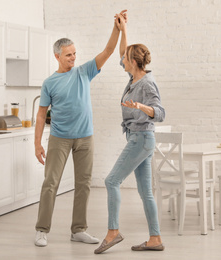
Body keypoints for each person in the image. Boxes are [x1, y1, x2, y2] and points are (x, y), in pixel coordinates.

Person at [34, 10, 128, 247]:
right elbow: (41, 114)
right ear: (57, 56)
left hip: (85, 138)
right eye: (68, 55)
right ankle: (42, 230)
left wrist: (117, 28)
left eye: (75, 53)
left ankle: (78, 230)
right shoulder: (49, 83)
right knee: (50, 184)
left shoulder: (84, 72)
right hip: (59, 139)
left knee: (84, 184)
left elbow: (107, 52)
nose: (73, 58)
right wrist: (37, 144)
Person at [94, 13, 166, 254]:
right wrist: (124, 29)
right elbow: (125, 50)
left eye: (125, 58)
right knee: (145, 192)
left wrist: (141, 107)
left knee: (111, 181)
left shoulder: (146, 83)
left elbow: (160, 112)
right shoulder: (134, 77)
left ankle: (113, 232)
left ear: (133, 62)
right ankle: (155, 239)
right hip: (140, 139)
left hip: (141, 138)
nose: (122, 60)